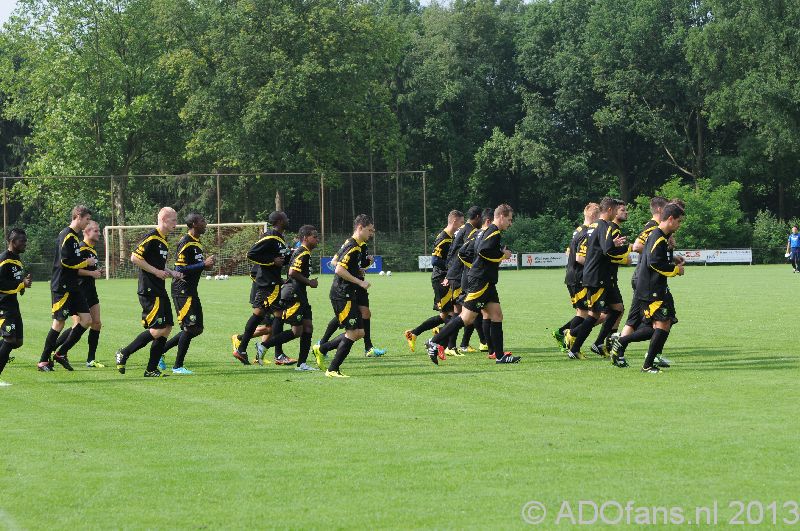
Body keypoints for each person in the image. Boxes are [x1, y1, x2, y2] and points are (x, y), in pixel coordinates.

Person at [426, 204, 520, 365]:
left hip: (486, 281)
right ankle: (434, 342)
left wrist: (474, 265)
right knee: (467, 318)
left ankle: (499, 356)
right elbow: (484, 251)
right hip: (481, 281)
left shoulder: (483, 231)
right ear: (501, 216)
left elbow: (465, 252)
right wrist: (503, 255)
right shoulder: (494, 232)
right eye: (509, 219)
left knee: (497, 315)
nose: (510, 223)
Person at [115, 207, 182, 377]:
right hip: (149, 289)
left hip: (159, 288)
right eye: (174, 220)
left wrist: (170, 271)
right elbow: (134, 257)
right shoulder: (152, 237)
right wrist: (156, 272)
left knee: (166, 328)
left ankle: (151, 369)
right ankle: (124, 352)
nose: (176, 223)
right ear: (164, 219)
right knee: (158, 329)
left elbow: (158, 265)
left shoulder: (164, 240)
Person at [565, 197, 631, 360]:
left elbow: (602, 247)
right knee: (594, 314)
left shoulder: (595, 226)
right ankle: (574, 346)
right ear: (609, 210)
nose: (617, 212)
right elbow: (607, 251)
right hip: (596, 277)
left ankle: (599, 343)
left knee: (617, 308)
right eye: (616, 210)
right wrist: (626, 250)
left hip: (601, 277)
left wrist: (613, 245)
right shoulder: (603, 226)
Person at [312, 214, 375, 377]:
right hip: (342, 293)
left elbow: (341, 265)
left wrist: (357, 270)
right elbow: (339, 268)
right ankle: (332, 369)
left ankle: (322, 348)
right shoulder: (353, 246)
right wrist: (360, 282)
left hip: (348, 293)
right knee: (353, 333)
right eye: (369, 230)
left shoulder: (356, 245)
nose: (371, 233)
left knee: (359, 333)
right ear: (360, 228)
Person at [608, 196, 667, 368]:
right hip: (646, 278)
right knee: (657, 322)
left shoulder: (658, 229)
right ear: (659, 210)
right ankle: (647, 354)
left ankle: (618, 348)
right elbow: (637, 246)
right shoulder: (652, 227)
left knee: (633, 319)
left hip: (643, 277)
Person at [37, 205, 97, 372]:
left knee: (87, 320)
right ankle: (43, 361)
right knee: (59, 323)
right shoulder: (66, 235)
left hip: (73, 286)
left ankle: (61, 353)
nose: (88, 223)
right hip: (61, 286)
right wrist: (87, 262)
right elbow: (65, 262)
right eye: (86, 219)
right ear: (78, 216)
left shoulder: (74, 237)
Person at [256, 225, 321, 371]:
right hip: (294, 294)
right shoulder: (303, 252)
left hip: (300, 294)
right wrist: (309, 282)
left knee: (306, 328)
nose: (317, 239)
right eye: (314, 237)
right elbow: (292, 272)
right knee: (287, 325)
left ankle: (302, 364)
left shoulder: (305, 252)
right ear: (305, 238)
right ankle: (264, 346)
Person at [231, 211, 292, 366]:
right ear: (279, 221)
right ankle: (277, 355)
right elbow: (251, 254)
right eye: (285, 217)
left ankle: (242, 348)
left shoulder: (280, 239)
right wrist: (272, 261)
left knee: (266, 316)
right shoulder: (270, 237)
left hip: (273, 283)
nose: (288, 219)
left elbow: (280, 261)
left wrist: (287, 257)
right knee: (273, 316)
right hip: (268, 284)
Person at [162, 213, 216, 374]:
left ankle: (160, 351)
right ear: (193, 224)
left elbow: (195, 265)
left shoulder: (196, 242)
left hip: (191, 290)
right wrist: (202, 264)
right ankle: (177, 366)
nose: (205, 223)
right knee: (190, 327)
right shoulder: (186, 242)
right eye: (202, 221)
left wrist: (204, 266)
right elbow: (179, 269)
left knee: (197, 328)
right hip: (182, 289)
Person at [404, 210, 464, 354]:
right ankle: (447, 346)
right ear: (454, 221)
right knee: (451, 314)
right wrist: (451, 268)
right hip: (441, 279)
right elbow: (435, 260)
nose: (462, 225)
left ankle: (415, 333)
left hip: (446, 279)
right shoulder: (443, 238)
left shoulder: (452, 237)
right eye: (461, 222)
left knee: (445, 315)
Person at [636, 202, 686, 373]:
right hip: (651, 289)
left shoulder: (662, 237)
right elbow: (654, 262)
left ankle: (644, 358)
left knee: (664, 322)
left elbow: (659, 259)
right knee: (662, 324)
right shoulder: (657, 236)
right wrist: (675, 270)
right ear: (670, 219)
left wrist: (673, 260)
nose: (679, 226)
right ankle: (646, 364)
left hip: (656, 287)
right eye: (679, 221)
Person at [51, 220, 105, 368]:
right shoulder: (79, 248)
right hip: (79, 290)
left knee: (96, 323)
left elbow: (87, 269)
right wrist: (91, 272)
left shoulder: (92, 250)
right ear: (86, 232)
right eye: (96, 230)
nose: (99, 233)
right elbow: (73, 269)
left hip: (91, 290)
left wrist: (96, 272)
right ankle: (53, 350)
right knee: (78, 324)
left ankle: (90, 359)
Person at [552, 202, 600, 352]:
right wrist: (595, 265)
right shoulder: (586, 233)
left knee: (582, 312)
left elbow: (569, 251)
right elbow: (580, 257)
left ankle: (563, 334)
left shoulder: (577, 230)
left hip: (572, 275)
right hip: (579, 277)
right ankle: (567, 338)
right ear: (594, 216)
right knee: (585, 313)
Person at [0, 229, 33, 387]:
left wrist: (23, 285)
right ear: (12, 242)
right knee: (9, 339)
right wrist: (21, 284)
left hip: (13, 305)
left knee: (17, 342)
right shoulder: (4, 260)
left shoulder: (17, 260)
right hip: (3, 305)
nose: (25, 243)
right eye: (22, 241)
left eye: (25, 240)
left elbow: (16, 283)